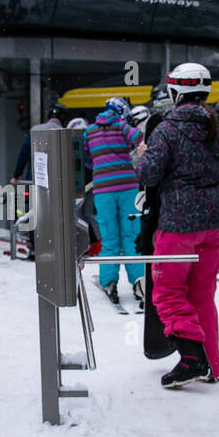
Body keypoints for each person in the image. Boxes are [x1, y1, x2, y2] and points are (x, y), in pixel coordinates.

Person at [132, 63, 219, 388]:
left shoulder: (166, 130)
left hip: (178, 224)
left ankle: (191, 358)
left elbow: (148, 175)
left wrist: (141, 156)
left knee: (168, 293)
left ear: (175, 92)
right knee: (203, 293)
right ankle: (212, 365)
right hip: (215, 223)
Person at [85, 96, 145, 309]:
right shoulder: (122, 126)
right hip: (129, 188)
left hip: (103, 190)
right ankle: (140, 283)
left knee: (110, 239)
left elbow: (87, 159)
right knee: (132, 236)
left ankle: (109, 282)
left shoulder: (89, 131)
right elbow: (140, 138)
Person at [10, 104, 69, 184]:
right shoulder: (64, 133)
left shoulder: (35, 130)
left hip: (35, 178)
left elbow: (23, 154)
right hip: (57, 181)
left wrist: (16, 175)